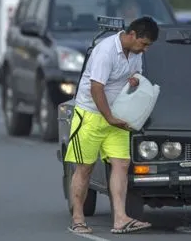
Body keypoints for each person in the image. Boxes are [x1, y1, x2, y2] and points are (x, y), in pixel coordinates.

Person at [64, 16, 159, 234]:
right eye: (143, 44)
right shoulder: (105, 51)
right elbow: (96, 88)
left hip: (116, 116)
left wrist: (133, 81)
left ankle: (120, 219)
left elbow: (135, 76)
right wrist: (108, 117)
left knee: (122, 164)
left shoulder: (135, 54)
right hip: (90, 115)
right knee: (84, 168)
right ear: (132, 34)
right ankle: (78, 219)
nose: (144, 50)